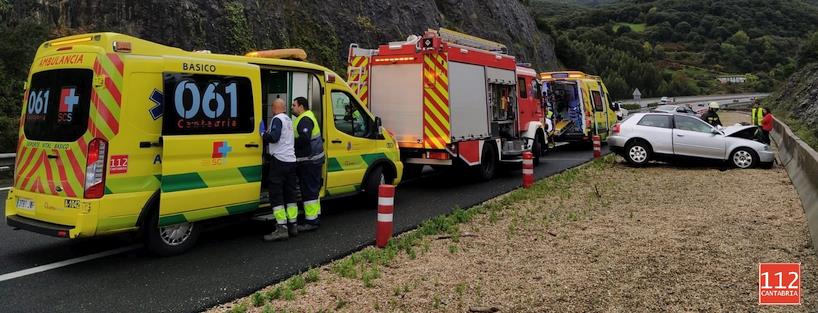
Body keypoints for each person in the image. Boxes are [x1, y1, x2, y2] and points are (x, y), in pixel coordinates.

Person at [261, 99, 299, 241]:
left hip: (279, 162)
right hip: (291, 161)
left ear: (274, 107)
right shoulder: (288, 119)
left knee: (276, 194)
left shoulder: (277, 119)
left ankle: (281, 228)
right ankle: (293, 225)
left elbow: (274, 137)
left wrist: (263, 133)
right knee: (291, 195)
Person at [291, 97, 325, 232]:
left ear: (301, 106)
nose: (292, 107)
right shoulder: (306, 117)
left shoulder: (305, 119)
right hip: (313, 160)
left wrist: (290, 143)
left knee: (309, 191)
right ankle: (315, 217)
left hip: (309, 161)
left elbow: (304, 139)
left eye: (294, 105)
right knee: (313, 190)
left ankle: (311, 222)